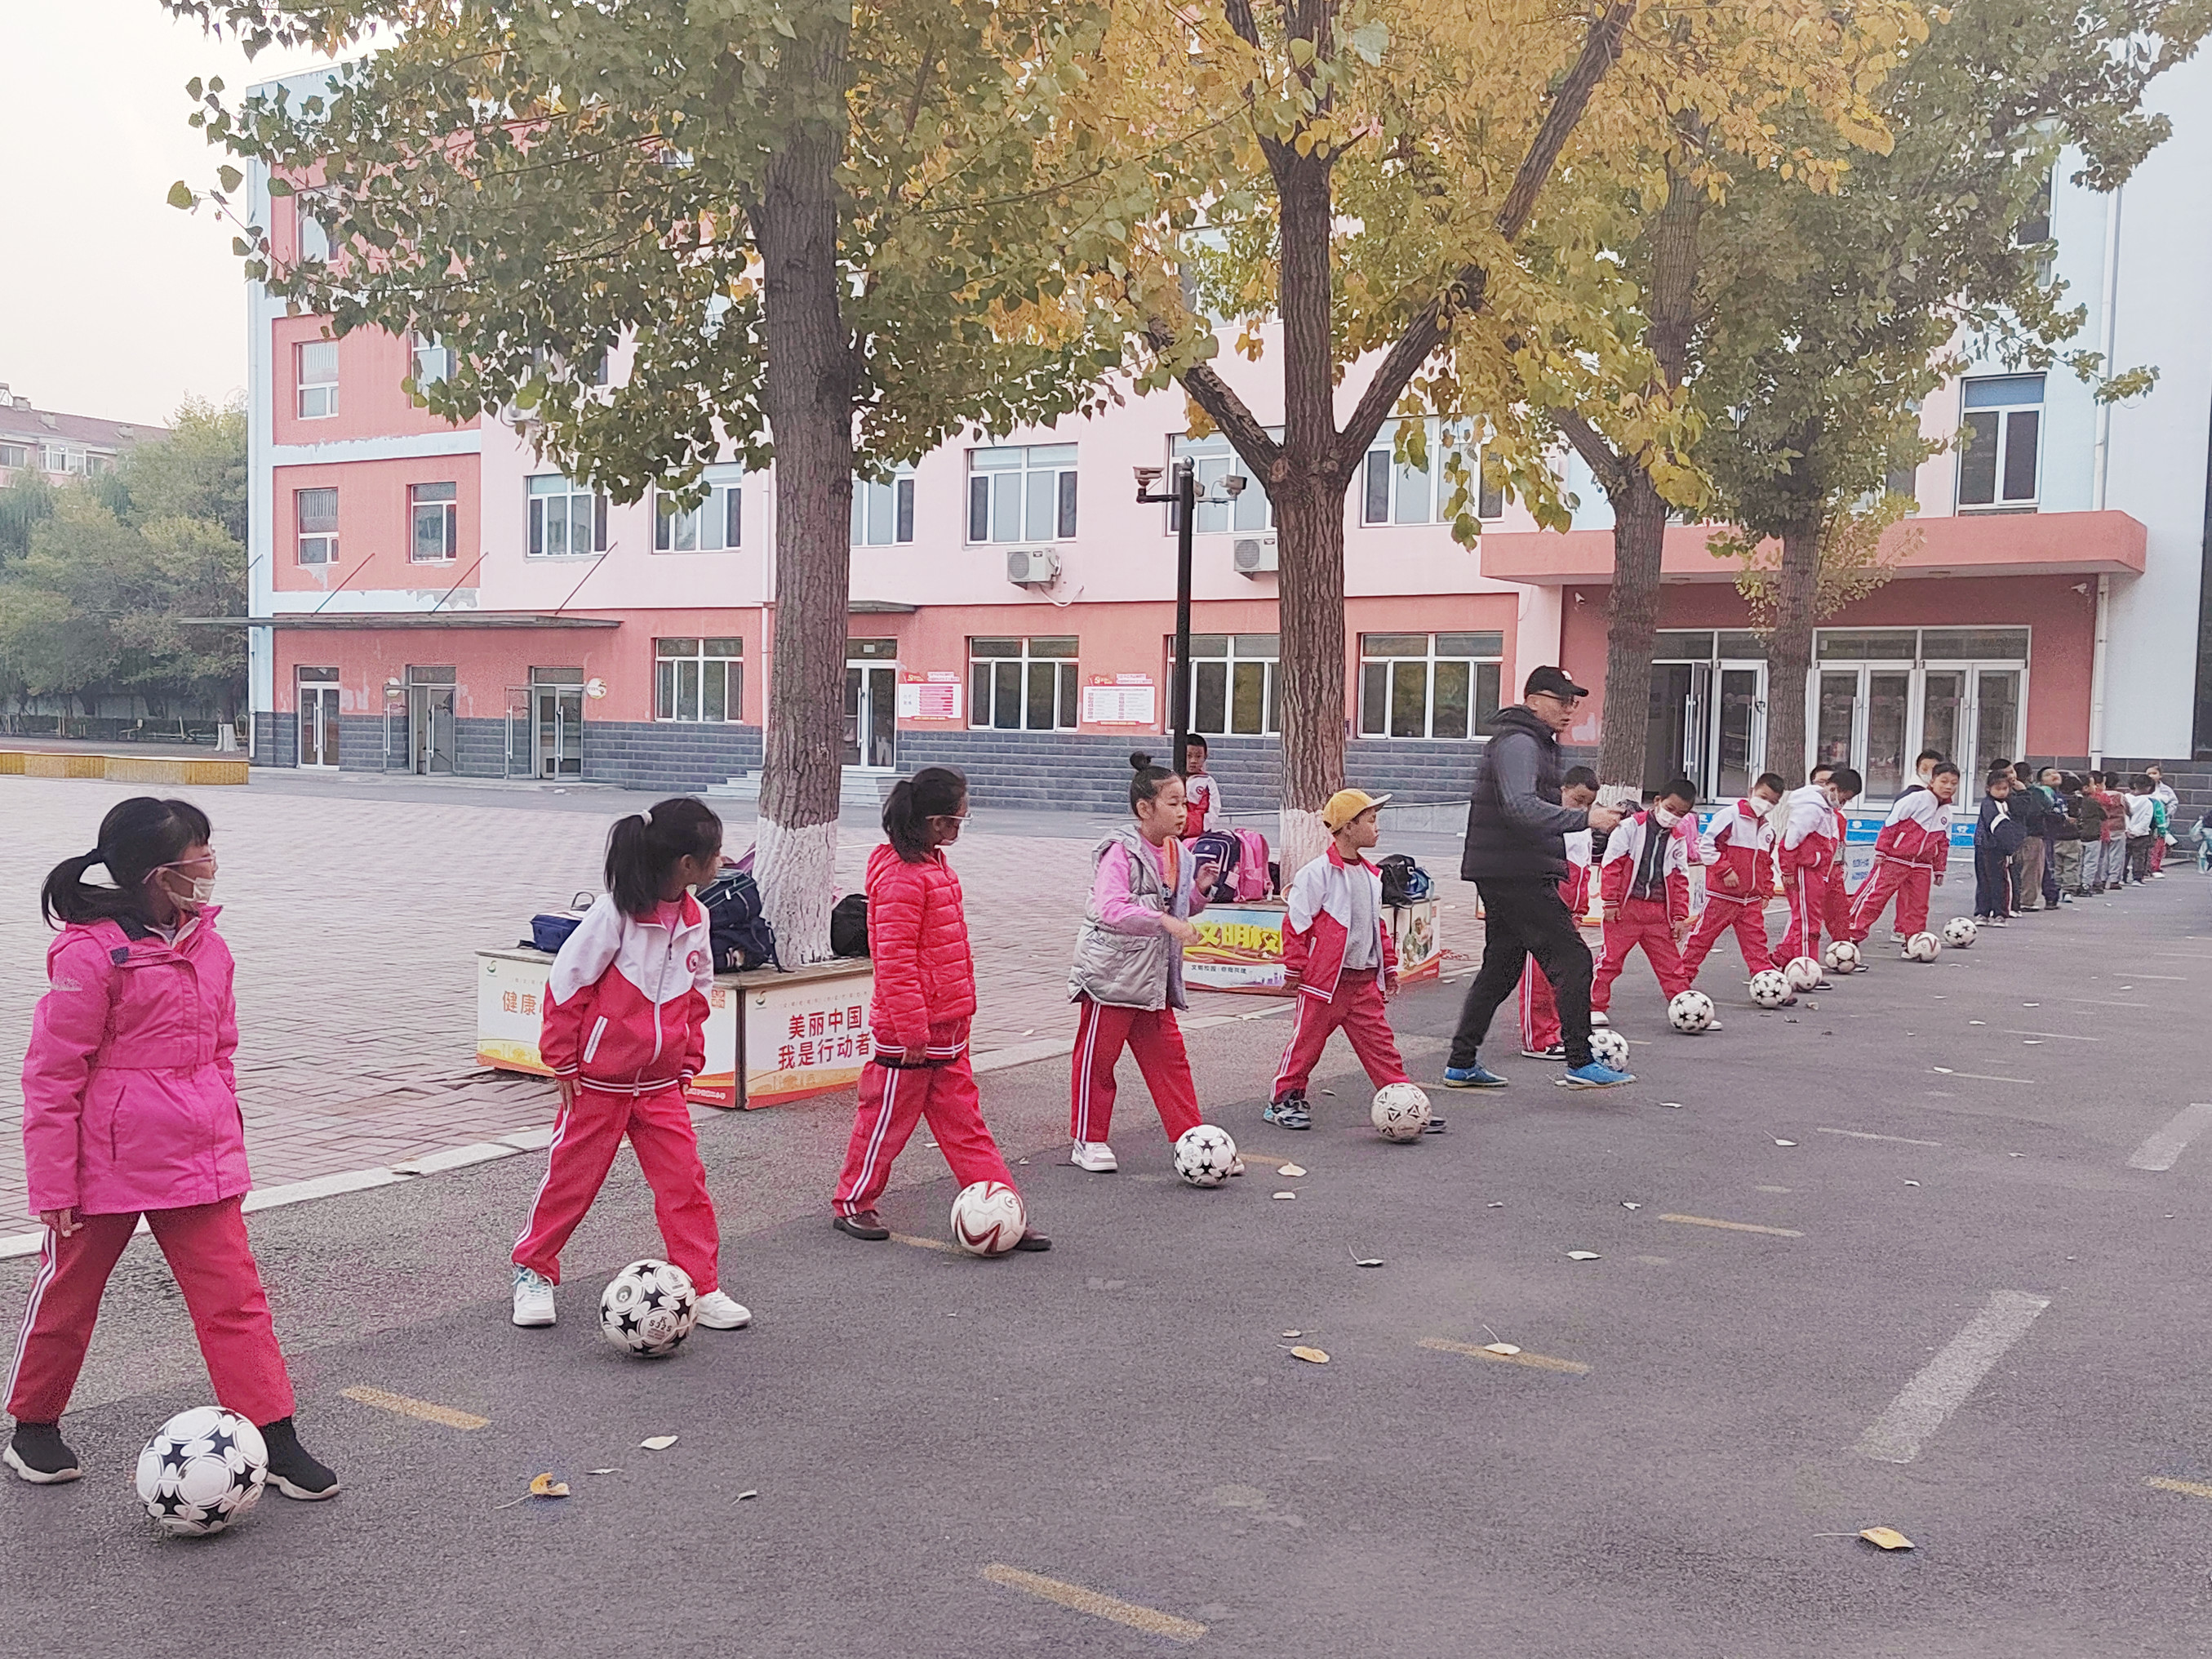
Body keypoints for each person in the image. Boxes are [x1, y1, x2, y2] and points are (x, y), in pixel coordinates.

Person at [7, 798, 337, 1497]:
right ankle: (32, 1424)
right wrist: (53, 1185)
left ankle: (274, 1436)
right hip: (105, 1163)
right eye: (202, 852)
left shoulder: (208, 943)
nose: (211, 863)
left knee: (236, 1301)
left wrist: (229, 1144)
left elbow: (221, 1052)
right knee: (68, 1292)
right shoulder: (89, 952)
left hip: (199, 1159)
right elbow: (52, 1073)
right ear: (162, 872)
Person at [511, 798, 752, 1332]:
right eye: (715, 856)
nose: (722, 863)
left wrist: (689, 1061)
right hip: (597, 1082)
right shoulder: (614, 914)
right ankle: (533, 1269)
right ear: (686, 865)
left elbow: (698, 993)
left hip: (662, 1084)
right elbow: (565, 985)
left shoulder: (697, 916)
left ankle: (701, 1283)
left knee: (685, 1183)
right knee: (571, 1180)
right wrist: (564, 1061)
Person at [833, 768, 1047, 1248]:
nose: (959, 828)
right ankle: (853, 1201)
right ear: (933, 822)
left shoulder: (932, 866)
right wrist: (911, 1029)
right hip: (910, 1030)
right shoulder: (902, 878)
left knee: (966, 1124)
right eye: (956, 820)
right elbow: (893, 959)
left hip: (947, 1024)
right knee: (885, 1120)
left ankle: (1002, 1205)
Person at [1445, 666, 1631, 1091]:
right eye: (1561, 700)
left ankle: (1461, 1062)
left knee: (1502, 967)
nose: (1569, 709)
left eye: (1574, 701)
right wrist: (1586, 819)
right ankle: (1580, 1060)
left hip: (1509, 866)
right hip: (1514, 870)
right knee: (1573, 958)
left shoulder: (1534, 742)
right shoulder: (1519, 742)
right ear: (1533, 701)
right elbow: (1520, 808)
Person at [1067, 754, 1226, 1172]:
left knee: (1171, 1061)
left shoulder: (1181, 854)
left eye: (1185, 802)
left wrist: (1199, 893)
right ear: (1144, 808)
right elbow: (1111, 909)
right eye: (1173, 802)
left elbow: (1179, 907)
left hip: (1154, 979)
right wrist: (1166, 921)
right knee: (1098, 1058)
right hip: (1111, 976)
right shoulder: (1120, 851)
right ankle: (1088, 1139)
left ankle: (1192, 1141)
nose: (1183, 811)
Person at [1264, 789, 1425, 1131]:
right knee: (1305, 1044)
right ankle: (1285, 1098)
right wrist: (1294, 968)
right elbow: (1296, 922)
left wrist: (1389, 966)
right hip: (1324, 984)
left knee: (1381, 1045)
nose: (1377, 828)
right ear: (1348, 827)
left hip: (1363, 981)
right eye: (1370, 820)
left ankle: (1401, 1098)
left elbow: (1375, 924)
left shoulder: (1371, 875)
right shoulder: (1317, 873)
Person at [1591, 778, 1711, 1031]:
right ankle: (1594, 1006)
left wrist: (1679, 916)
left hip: (1658, 911)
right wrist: (1610, 901)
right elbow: (1612, 864)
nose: (1674, 816)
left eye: (1681, 814)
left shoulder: (1678, 838)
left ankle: (1688, 1010)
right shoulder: (1629, 827)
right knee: (1610, 960)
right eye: (1670, 808)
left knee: (1672, 966)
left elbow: (1680, 879)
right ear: (1657, 802)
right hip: (1626, 908)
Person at [1519, 767, 1601, 1059]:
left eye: (1587, 803)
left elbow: (1582, 871)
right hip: (1545, 908)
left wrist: (1580, 909)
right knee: (1538, 975)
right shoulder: (1545, 821)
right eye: (1578, 799)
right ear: (1562, 790)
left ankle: (1555, 1032)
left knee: (1564, 976)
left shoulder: (1581, 826)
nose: (1582, 808)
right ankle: (1537, 1038)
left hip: (1570, 911)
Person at [1681, 772, 1787, 994]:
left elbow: (1765, 863)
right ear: (1752, 791)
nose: (1766, 804)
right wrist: (1725, 870)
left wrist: (1766, 891)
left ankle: (1767, 986)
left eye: (1773, 802)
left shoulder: (1768, 829)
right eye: (1763, 796)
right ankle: (1681, 981)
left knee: (1757, 944)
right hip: (1722, 896)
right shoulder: (1730, 815)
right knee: (1701, 939)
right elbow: (1707, 846)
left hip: (1751, 900)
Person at [1847, 763, 1957, 949]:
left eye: (1954, 783)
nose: (1948, 787)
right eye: (1944, 781)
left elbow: (1943, 842)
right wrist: (1882, 850)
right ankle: (1851, 934)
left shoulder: (1946, 813)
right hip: (1895, 859)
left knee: (1918, 906)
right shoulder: (1917, 799)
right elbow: (1891, 823)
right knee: (1875, 898)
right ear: (1932, 780)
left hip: (1922, 865)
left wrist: (1939, 869)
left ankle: (1913, 942)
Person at [1778, 767, 1860, 978]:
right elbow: (1789, 843)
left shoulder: (1825, 809)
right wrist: (1787, 871)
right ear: (1833, 788)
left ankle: (1789, 960)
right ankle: (1806, 970)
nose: (1843, 802)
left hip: (1815, 870)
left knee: (1806, 920)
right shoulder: (1812, 809)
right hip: (1805, 871)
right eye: (1844, 797)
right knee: (1808, 923)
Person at [1973, 769, 2024, 923]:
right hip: (1985, 845)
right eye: (1998, 789)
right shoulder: (1988, 804)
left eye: (2005, 789)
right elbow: (1997, 823)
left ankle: (2000, 913)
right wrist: (2010, 843)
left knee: (2000, 880)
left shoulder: (2009, 803)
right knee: (1984, 880)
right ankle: (1983, 912)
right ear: (1988, 788)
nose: (2002, 792)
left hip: (1998, 848)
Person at [2006, 761, 2051, 911]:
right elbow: (2047, 807)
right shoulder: (2037, 793)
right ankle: (2026, 901)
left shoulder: (2007, 791)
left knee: (2012, 868)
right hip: (2033, 833)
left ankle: (2011, 899)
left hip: (2013, 833)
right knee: (2031, 870)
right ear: (2031, 776)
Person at [2052, 772, 2088, 901]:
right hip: (2072, 837)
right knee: (2071, 865)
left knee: (2056, 865)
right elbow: (2077, 815)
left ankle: (2054, 889)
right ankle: (2068, 891)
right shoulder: (2076, 800)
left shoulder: (2054, 798)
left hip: (2055, 836)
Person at [1181, 734, 1220, 840]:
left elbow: (1214, 808)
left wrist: (1202, 827)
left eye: (1198, 756)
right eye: (1189, 756)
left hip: (1198, 834)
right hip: (1175, 831)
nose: (1193, 761)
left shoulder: (1207, 782)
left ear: (1205, 757)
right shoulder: (1173, 778)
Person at [2124, 773, 2159, 884]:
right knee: (2139, 857)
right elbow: (2146, 820)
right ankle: (2137, 878)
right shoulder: (2149, 802)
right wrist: (2137, 832)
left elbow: (2123, 815)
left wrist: (2128, 829)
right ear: (2149, 788)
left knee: (2124, 856)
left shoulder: (2125, 798)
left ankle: (2122, 877)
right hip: (2142, 835)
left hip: (2125, 833)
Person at [2148, 764, 2179, 874]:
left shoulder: (2166, 790)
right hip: (2148, 821)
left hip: (2162, 821)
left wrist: (2167, 813)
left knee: (2159, 844)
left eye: (2154, 773)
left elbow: (2173, 802)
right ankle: (2148, 865)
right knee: (2149, 844)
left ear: (2160, 775)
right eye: (2149, 774)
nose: (2151, 776)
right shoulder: (2145, 788)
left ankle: (2155, 865)